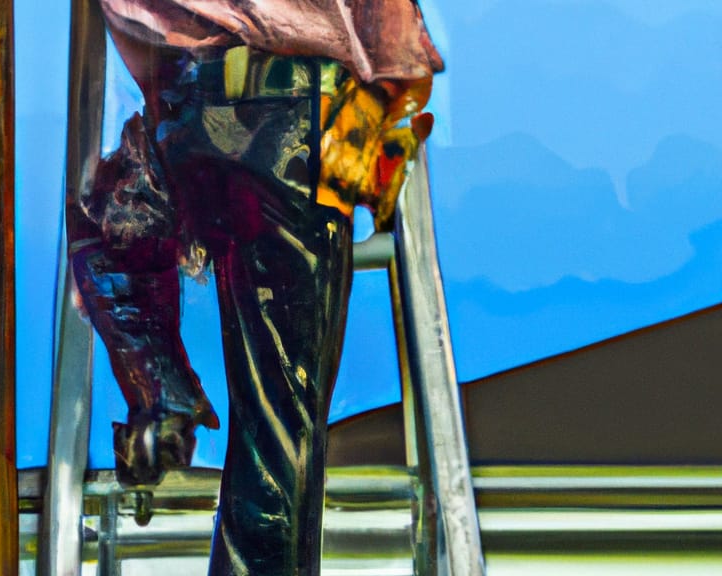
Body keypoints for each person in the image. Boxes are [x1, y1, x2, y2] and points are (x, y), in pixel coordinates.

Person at [66, 1, 443, 573]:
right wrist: (378, 109)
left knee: (109, 227)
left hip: (188, 119)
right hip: (291, 124)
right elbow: (394, 41)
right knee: (276, 421)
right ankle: (168, 401)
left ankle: (162, 390)